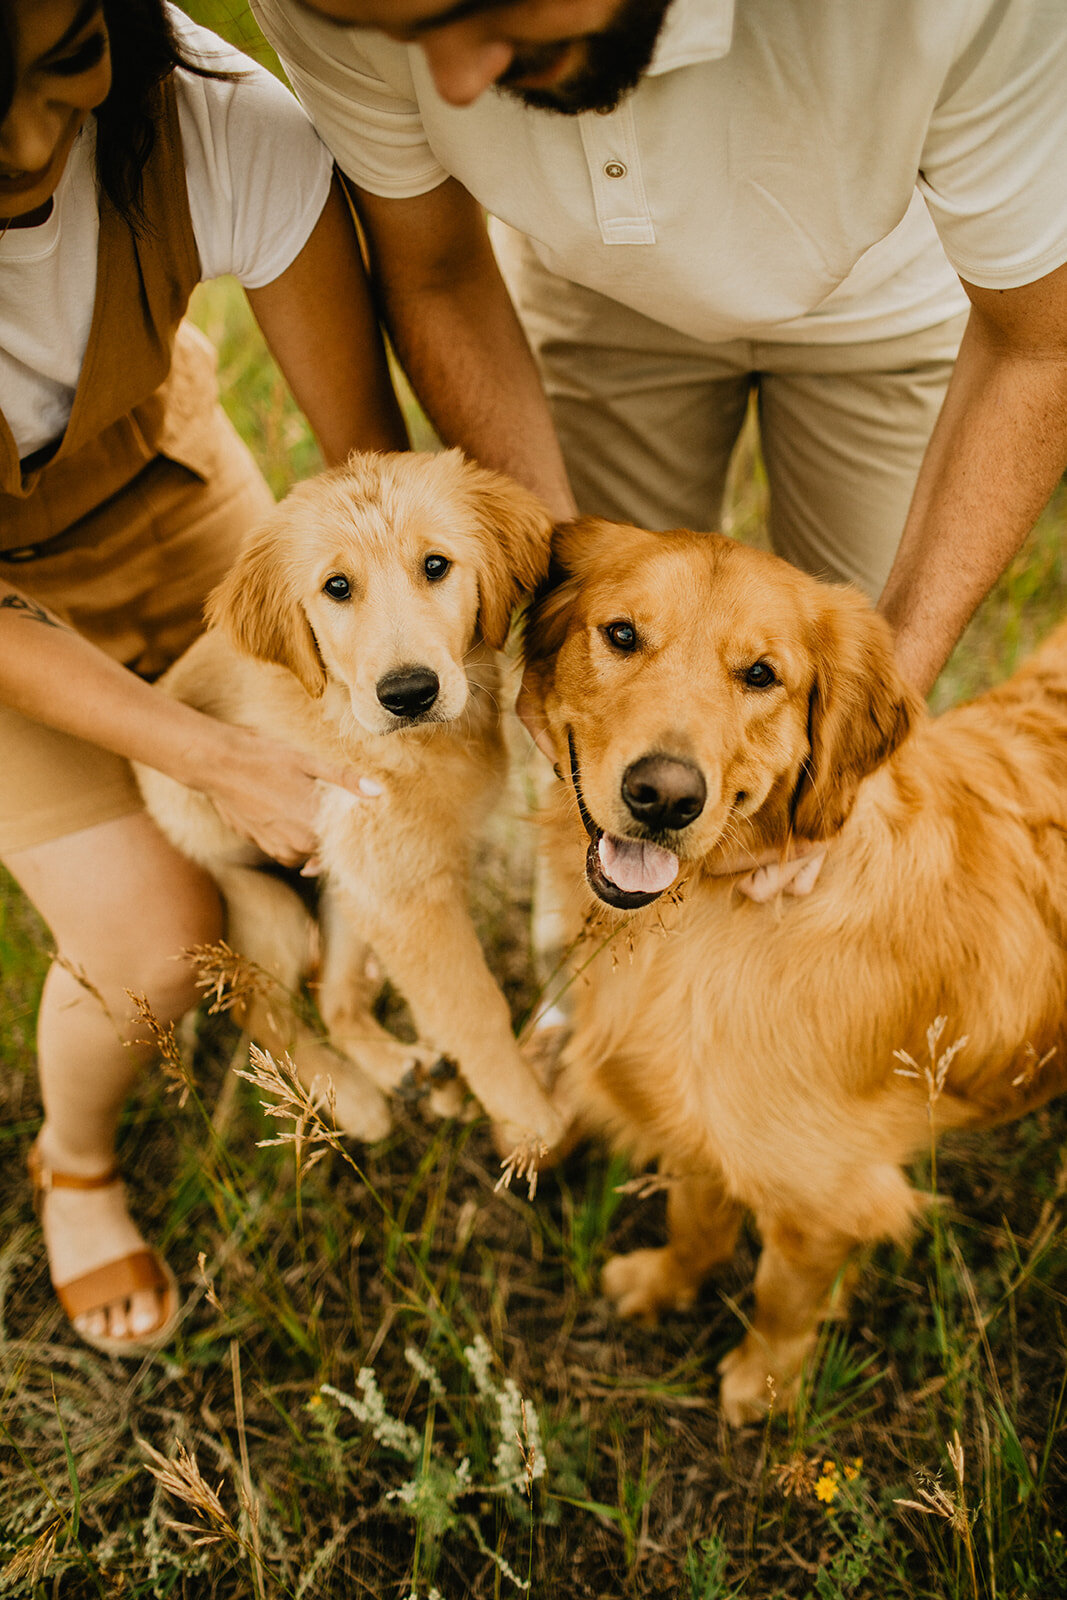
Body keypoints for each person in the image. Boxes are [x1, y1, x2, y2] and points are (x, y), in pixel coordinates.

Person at [252, 0, 1067, 711]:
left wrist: (880, 700)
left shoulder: (966, 10)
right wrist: (555, 629)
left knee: (817, 702)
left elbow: (1039, 342)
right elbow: (437, 271)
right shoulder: (317, 4)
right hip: (591, 299)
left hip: (885, 300)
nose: (454, 84)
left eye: (492, 3)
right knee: (603, 684)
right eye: (400, 32)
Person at [0, 0, 408, 1354]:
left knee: (356, 790)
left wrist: (372, 662)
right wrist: (216, 754)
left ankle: (323, 1005)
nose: (32, 139)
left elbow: (367, 474)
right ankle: (74, 1157)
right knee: (152, 938)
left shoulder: (219, 119)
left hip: (169, 500)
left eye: (67, 69)